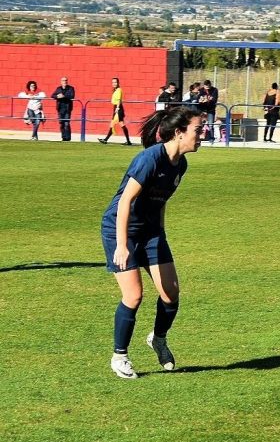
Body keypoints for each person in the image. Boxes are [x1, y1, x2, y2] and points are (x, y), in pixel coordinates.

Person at [101, 106, 204, 379]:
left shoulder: (180, 164)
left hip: (151, 232)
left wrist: (160, 235)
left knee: (171, 293)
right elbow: (125, 201)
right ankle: (119, 356)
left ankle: (158, 339)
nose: (203, 133)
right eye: (198, 129)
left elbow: (161, 203)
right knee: (134, 295)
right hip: (120, 230)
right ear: (180, 133)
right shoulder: (150, 159)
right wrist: (122, 245)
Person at [98, 77, 133, 146]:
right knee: (118, 124)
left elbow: (119, 100)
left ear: (118, 83)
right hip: (116, 107)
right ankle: (127, 141)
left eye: (115, 82)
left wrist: (117, 108)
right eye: (113, 82)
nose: (114, 83)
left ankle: (106, 139)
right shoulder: (115, 90)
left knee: (115, 124)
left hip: (118, 108)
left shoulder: (119, 90)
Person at [51, 76, 75, 141]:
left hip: (67, 108)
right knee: (61, 123)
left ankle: (68, 138)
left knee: (66, 123)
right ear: (61, 82)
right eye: (63, 80)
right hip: (60, 108)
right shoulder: (58, 88)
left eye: (66, 80)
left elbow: (72, 95)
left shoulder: (71, 88)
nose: (65, 81)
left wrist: (63, 96)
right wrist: (57, 96)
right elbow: (52, 95)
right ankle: (63, 137)